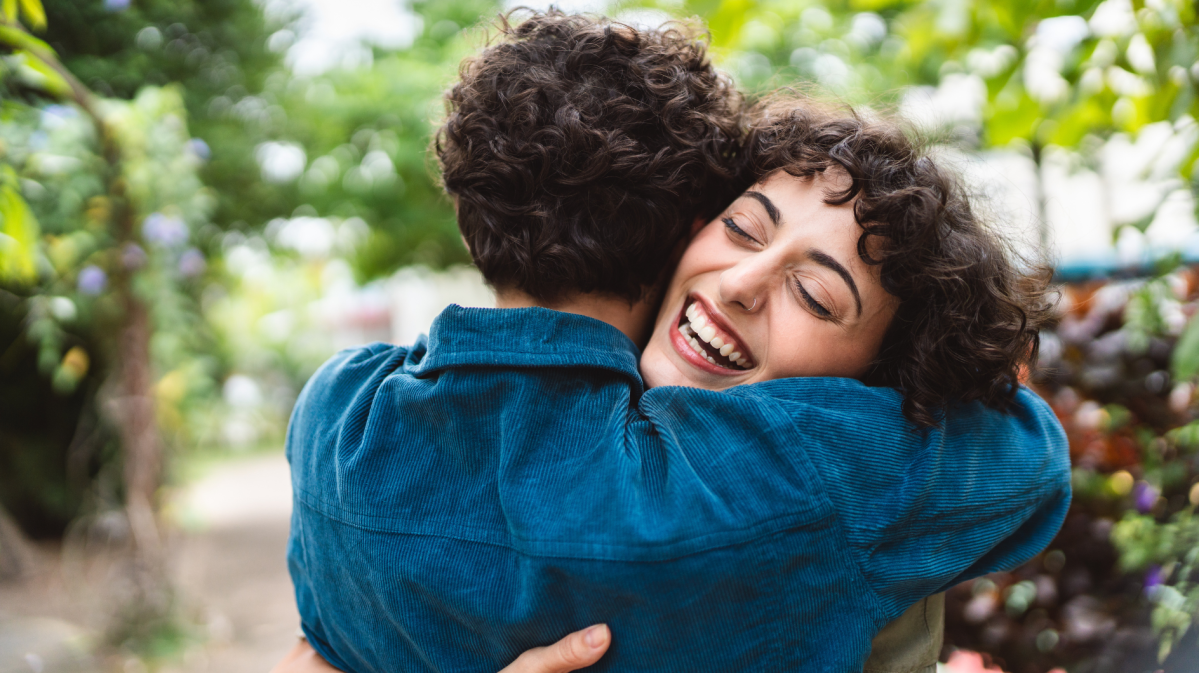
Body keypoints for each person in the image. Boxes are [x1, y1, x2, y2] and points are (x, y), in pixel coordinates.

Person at [279, 11, 1070, 673]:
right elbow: (1029, 451)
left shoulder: (336, 412)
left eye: (813, 293)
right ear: (679, 231)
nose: (737, 282)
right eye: (738, 227)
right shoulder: (815, 482)